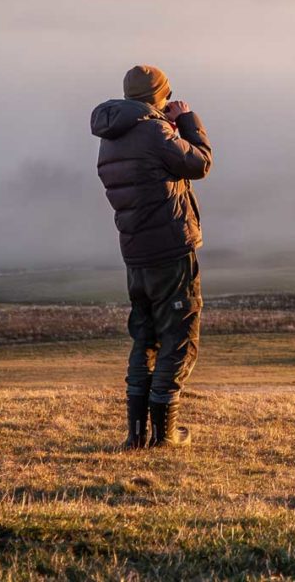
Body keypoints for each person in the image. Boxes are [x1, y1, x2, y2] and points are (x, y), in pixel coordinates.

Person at [90, 64, 213, 449]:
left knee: (144, 338)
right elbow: (200, 163)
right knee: (178, 338)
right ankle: (165, 436)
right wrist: (187, 121)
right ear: (158, 95)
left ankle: (136, 435)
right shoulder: (154, 132)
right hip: (170, 250)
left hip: (136, 253)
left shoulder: (112, 136)